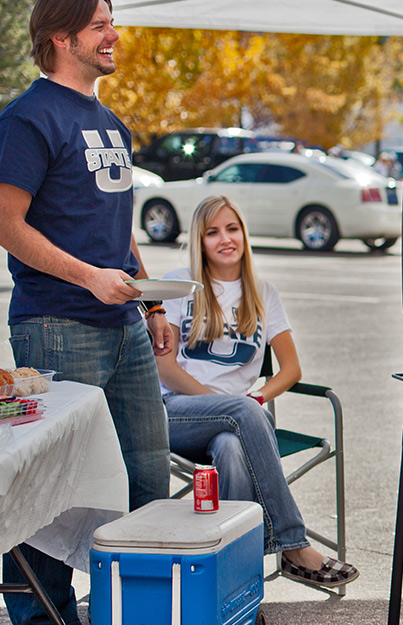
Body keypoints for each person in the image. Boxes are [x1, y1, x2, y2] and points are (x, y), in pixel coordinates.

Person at [0, 1, 172, 623]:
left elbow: (117, 228)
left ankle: (137, 608)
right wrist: (88, 278)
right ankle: (42, 616)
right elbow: (7, 225)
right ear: (61, 37)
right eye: (100, 25)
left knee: (149, 476)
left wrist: (149, 298)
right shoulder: (26, 118)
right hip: (55, 326)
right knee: (49, 489)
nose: (114, 35)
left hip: (123, 326)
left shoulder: (113, 123)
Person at [156, 195, 359, 588]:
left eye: (232, 229)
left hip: (236, 426)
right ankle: (292, 544)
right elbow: (164, 367)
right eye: (212, 232)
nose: (225, 239)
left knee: (233, 448)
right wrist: (232, 406)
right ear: (199, 241)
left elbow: (291, 369)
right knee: (245, 415)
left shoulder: (262, 293)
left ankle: (236, 584)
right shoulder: (180, 285)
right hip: (175, 413)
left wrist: (258, 398)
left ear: (244, 235)